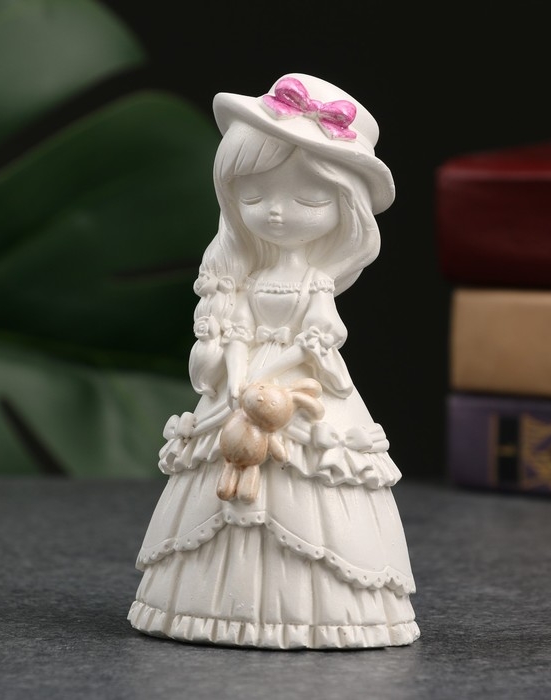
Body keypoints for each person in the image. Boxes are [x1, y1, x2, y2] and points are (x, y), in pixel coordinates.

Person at [128, 73, 420, 649]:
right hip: (244, 390)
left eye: (307, 200)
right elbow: (234, 332)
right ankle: (209, 606)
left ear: (345, 209)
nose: (276, 215)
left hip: (298, 387)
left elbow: (316, 344)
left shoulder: (316, 284)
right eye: (253, 198)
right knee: (218, 480)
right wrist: (238, 379)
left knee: (313, 484)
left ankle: (321, 614)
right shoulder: (243, 279)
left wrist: (267, 380)